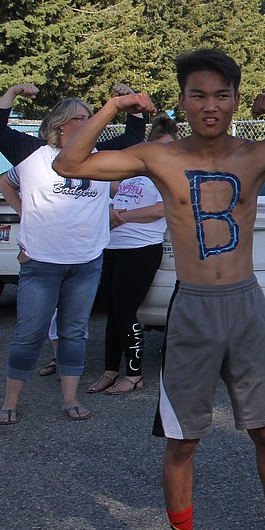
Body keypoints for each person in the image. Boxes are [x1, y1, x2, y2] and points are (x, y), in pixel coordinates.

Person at [53, 49, 265, 530]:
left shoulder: (257, 154)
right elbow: (69, 161)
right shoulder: (159, 156)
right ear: (183, 100)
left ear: (236, 99)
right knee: (183, 439)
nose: (209, 105)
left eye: (221, 95)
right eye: (198, 95)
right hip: (192, 305)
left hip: (245, 305)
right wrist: (113, 106)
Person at [0, 81, 146, 425]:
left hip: (86, 262)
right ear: (60, 125)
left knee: (75, 332)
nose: (90, 122)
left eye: (92, 115)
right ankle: (10, 401)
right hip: (41, 262)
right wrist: (12, 92)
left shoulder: (100, 158)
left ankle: (70, 399)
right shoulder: (32, 153)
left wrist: (128, 99)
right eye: (82, 117)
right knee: (29, 333)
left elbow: (134, 137)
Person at [85, 113, 179, 396]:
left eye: (169, 147)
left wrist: (121, 217)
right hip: (113, 249)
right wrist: (111, 213)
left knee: (126, 311)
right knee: (112, 313)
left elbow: (161, 209)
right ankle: (110, 371)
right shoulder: (133, 174)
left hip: (141, 251)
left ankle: (134, 374)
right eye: (158, 146)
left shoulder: (169, 176)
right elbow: (113, 195)